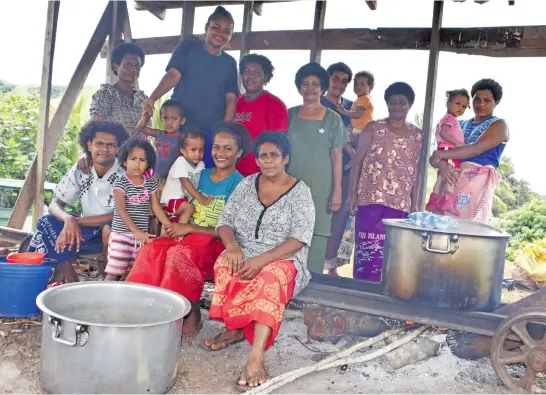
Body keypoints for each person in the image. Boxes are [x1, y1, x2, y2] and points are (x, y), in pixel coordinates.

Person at [202, 132, 315, 390]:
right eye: (262, 155)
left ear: (285, 158)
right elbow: (225, 220)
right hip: (244, 251)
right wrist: (231, 246)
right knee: (225, 264)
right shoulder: (247, 184)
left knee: (268, 278)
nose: (267, 160)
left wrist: (261, 261)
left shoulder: (300, 192)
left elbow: (298, 239)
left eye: (273, 155)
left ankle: (256, 357)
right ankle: (235, 328)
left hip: (283, 258)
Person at [126, 121, 250, 340]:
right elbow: (181, 199)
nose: (220, 153)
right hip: (185, 233)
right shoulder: (200, 173)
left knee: (178, 255)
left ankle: (187, 313)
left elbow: (233, 229)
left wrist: (189, 227)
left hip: (214, 242)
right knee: (152, 249)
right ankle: (141, 309)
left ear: (239, 152)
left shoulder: (240, 184)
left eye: (228, 148)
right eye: (217, 147)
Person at [26, 121, 129, 282]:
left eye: (110, 145)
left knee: (108, 228)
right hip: (84, 230)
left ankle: (104, 281)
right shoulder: (82, 169)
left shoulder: (125, 173)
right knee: (45, 222)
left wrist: (76, 220)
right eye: (99, 143)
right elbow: (55, 204)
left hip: (112, 228)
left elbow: (120, 214)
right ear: (89, 145)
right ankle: (70, 282)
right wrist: (68, 219)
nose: (104, 149)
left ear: (118, 148)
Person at [141, 6, 239, 169]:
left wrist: (224, 130)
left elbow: (230, 98)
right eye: (216, 27)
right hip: (180, 129)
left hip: (210, 132)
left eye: (227, 31)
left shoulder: (229, 63)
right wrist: (152, 98)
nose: (221, 34)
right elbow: (173, 75)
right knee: (173, 173)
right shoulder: (188, 47)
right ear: (207, 27)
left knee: (204, 175)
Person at [347, 82, 423, 282]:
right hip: (369, 199)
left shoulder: (417, 135)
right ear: (387, 104)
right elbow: (357, 162)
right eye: (393, 101)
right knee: (367, 249)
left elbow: (416, 172)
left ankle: (386, 296)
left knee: (392, 253)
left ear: (409, 105)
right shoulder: (374, 127)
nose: (397, 105)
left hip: (400, 204)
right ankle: (362, 290)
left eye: (402, 102)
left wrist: (414, 204)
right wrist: (351, 194)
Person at [287, 62, 349, 273]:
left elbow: (337, 156)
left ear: (322, 88)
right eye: (305, 83)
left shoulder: (333, 119)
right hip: (289, 188)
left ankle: (311, 291)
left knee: (317, 235)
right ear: (299, 87)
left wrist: (337, 191)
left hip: (321, 189)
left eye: (315, 83)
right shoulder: (289, 115)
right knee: (288, 233)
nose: (310, 88)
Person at [430, 78, 508, 223]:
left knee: (467, 231)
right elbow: (435, 157)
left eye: (487, 100)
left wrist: (440, 155)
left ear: (496, 102)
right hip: (450, 180)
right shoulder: (458, 123)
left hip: (475, 184)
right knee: (443, 230)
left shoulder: (499, 125)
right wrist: (443, 165)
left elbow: (475, 149)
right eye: (477, 99)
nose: (481, 104)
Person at [104, 139, 172, 281]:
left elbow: (156, 208)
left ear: (148, 164)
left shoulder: (150, 184)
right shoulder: (121, 183)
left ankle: (128, 302)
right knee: (114, 273)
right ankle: (104, 301)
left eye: (142, 160)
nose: (137, 163)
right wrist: (136, 231)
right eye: (133, 159)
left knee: (135, 273)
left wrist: (169, 226)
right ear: (124, 161)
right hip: (121, 236)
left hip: (141, 238)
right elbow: (121, 210)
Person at [321, 62, 356, 275]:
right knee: (319, 215)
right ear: (328, 80)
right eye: (335, 79)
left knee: (340, 217)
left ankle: (331, 266)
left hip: (345, 169)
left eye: (344, 81)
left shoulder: (352, 108)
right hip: (322, 167)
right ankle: (314, 262)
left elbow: (360, 133)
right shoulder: (318, 104)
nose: (339, 84)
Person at [234, 53, 288, 177]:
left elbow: (278, 145)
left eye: (257, 72)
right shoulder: (236, 102)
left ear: (266, 77)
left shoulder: (275, 104)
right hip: (233, 175)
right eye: (247, 71)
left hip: (259, 175)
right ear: (241, 75)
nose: (251, 76)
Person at [90, 42, 149, 138]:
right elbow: (96, 130)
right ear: (116, 67)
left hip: (142, 152)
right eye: (128, 65)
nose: (133, 69)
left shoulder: (143, 99)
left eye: (137, 65)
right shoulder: (106, 95)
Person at [425, 89, 470, 215]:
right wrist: (457, 143)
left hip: (445, 150)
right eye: (457, 104)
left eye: (464, 106)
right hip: (449, 150)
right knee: (452, 174)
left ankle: (434, 202)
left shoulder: (447, 118)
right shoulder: (450, 118)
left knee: (441, 178)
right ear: (448, 102)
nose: (460, 108)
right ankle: (448, 203)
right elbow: (443, 133)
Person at [160, 126, 209, 224]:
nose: (197, 154)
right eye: (193, 150)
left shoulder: (201, 165)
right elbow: (185, 182)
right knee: (190, 208)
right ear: (182, 149)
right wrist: (200, 198)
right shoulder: (180, 162)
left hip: (185, 201)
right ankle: (179, 232)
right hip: (171, 201)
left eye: (201, 150)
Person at [137, 98, 186, 185]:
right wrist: (147, 115)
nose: (169, 122)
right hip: (156, 177)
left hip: (174, 179)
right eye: (165, 118)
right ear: (161, 119)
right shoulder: (159, 134)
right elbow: (140, 127)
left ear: (182, 121)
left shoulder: (183, 138)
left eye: (174, 118)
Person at [337, 70, 375, 136]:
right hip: (359, 129)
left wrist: (344, 111)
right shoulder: (360, 99)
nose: (358, 87)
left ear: (370, 87)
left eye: (362, 84)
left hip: (361, 130)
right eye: (356, 84)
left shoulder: (364, 98)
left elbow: (357, 115)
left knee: (341, 135)